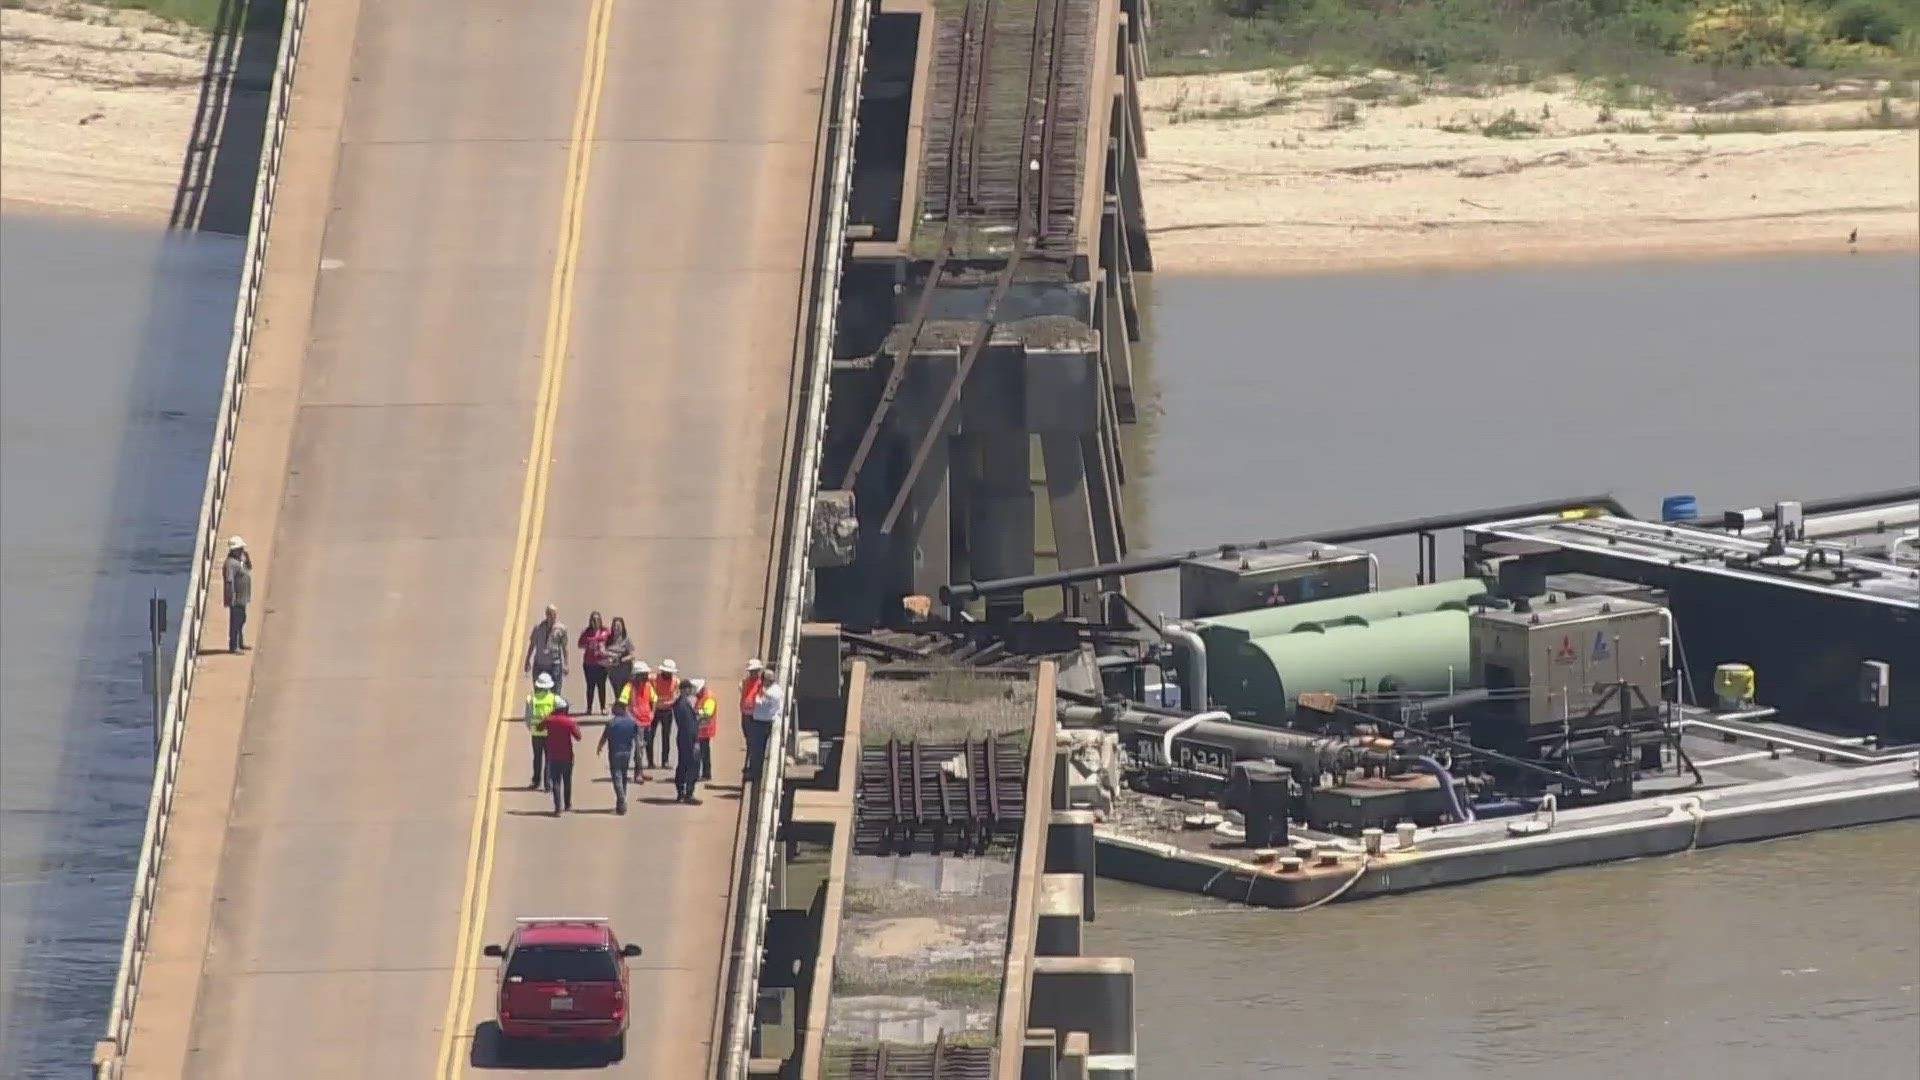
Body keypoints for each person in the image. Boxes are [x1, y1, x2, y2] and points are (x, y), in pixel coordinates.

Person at [525, 672, 568, 791]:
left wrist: (531, 727)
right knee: (549, 759)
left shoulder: (531, 698)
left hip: (536, 733)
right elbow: (565, 705)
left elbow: (527, 717)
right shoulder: (554, 698)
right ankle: (547, 783)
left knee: (537, 757)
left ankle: (536, 780)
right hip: (550, 734)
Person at [597, 698, 640, 814]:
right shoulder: (632, 722)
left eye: (614, 707)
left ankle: (621, 799)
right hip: (627, 753)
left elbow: (604, 737)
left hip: (615, 753)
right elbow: (637, 739)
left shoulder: (612, 723)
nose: (612, 709)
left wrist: (599, 747)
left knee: (617, 777)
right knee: (624, 776)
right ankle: (620, 804)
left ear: (621, 708)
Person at [746, 664, 785, 784]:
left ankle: (756, 774)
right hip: (759, 721)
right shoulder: (768, 690)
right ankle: (755, 772)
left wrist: (758, 697)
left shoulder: (773, 692)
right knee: (756, 749)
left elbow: (761, 702)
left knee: (758, 750)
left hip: (764, 723)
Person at [617, 660, 653, 780]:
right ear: (637, 675)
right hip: (635, 723)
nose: (646, 676)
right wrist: (630, 718)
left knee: (642, 747)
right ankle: (637, 774)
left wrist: (652, 713)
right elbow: (622, 704)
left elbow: (654, 700)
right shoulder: (629, 687)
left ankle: (640, 771)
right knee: (638, 749)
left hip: (647, 721)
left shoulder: (648, 686)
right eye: (644, 674)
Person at [543, 705, 583, 815]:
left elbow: (539, 727)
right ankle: (567, 804)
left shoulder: (549, 720)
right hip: (567, 756)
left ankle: (557, 808)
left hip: (553, 756)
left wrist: (547, 716)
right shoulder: (569, 722)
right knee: (567, 781)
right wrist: (576, 726)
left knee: (556, 782)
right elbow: (578, 737)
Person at [523, 605, 569, 696]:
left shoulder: (561, 629)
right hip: (539, 665)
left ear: (556, 615)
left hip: (554, 665)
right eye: (549, 614)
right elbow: (532, 645)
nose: (551, 616)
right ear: (546, 614)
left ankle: (554, 710)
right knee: (539, 692)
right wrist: (527, 660)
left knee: (555, 692)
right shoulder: (538, 628)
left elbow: (565, 647)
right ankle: (541, 709)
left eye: (553, 614)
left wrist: (566, 664)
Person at [671, 679, 701, 802]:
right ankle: (687, 793)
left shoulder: (681, 703)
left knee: (683, 764)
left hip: (684, 737)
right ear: (684, 689)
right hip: (688, 738)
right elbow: (689, 725)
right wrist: (695, 740)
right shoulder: (683, 704)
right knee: (691, 765)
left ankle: (682, 792)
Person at [222, 536, 253, 653]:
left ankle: (240, 643)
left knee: (241, 619)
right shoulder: (230, 563)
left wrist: (247, 558)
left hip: (242, 597)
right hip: (236, 598)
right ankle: (234, 646)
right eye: (239, 549)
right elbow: (229, 582)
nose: (241, 550)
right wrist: (231, 597)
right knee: (236, 621)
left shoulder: (240, 560)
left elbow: (249, 567)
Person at [648, 659, 679, 771]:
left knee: (666, 737)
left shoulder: (675, 681)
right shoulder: (653, 679)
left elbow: (676, 695)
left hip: (667, 712)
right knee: (650, 736)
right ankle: (650, 761)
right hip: (654, 711)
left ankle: (664, 761)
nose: (669, 674)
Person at [578, 612, 611, 714]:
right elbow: (580, 644)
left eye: (597, 619)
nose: (595, 621)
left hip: (602, 663)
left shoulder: (605, 631)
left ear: (600, 620)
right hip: (589, 663)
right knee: (590, 686)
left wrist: (606, 651)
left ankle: (603, 707)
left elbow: (611, 643)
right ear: (590, 621)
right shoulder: (586, 632)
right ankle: (589, 708)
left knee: (601, 685)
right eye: (593, 620)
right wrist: (589, 644)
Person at [692, 678, 718, 783]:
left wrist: (695, 713)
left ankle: (706, 774)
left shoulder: (709, 697)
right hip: (700, 728)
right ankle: (702, 773)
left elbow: (707, 712)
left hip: (705, 729)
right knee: (702, 752)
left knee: (704, 753)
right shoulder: (701, 696)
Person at [738, 658, 764, 760]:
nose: (753, 673)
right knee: (748, 738)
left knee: (754, 740)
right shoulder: (743, 683)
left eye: (755, 671)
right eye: (751, 671)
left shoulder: (761, 684)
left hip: (755, 715)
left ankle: (751, 760)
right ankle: (749, 759)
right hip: (745, 714)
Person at [603, 617, 635, 699]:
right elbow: (603, 651)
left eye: (618, 626)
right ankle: (619, 710)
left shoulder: (626, 639)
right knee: (617, 693)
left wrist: (621, 659)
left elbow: (632, 655)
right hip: (612, 672)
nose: (616, 628)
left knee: (624, 694)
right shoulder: (608, 639)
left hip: (624, 671)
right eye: (614, 626)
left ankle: (624, 710)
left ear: (622, 627)